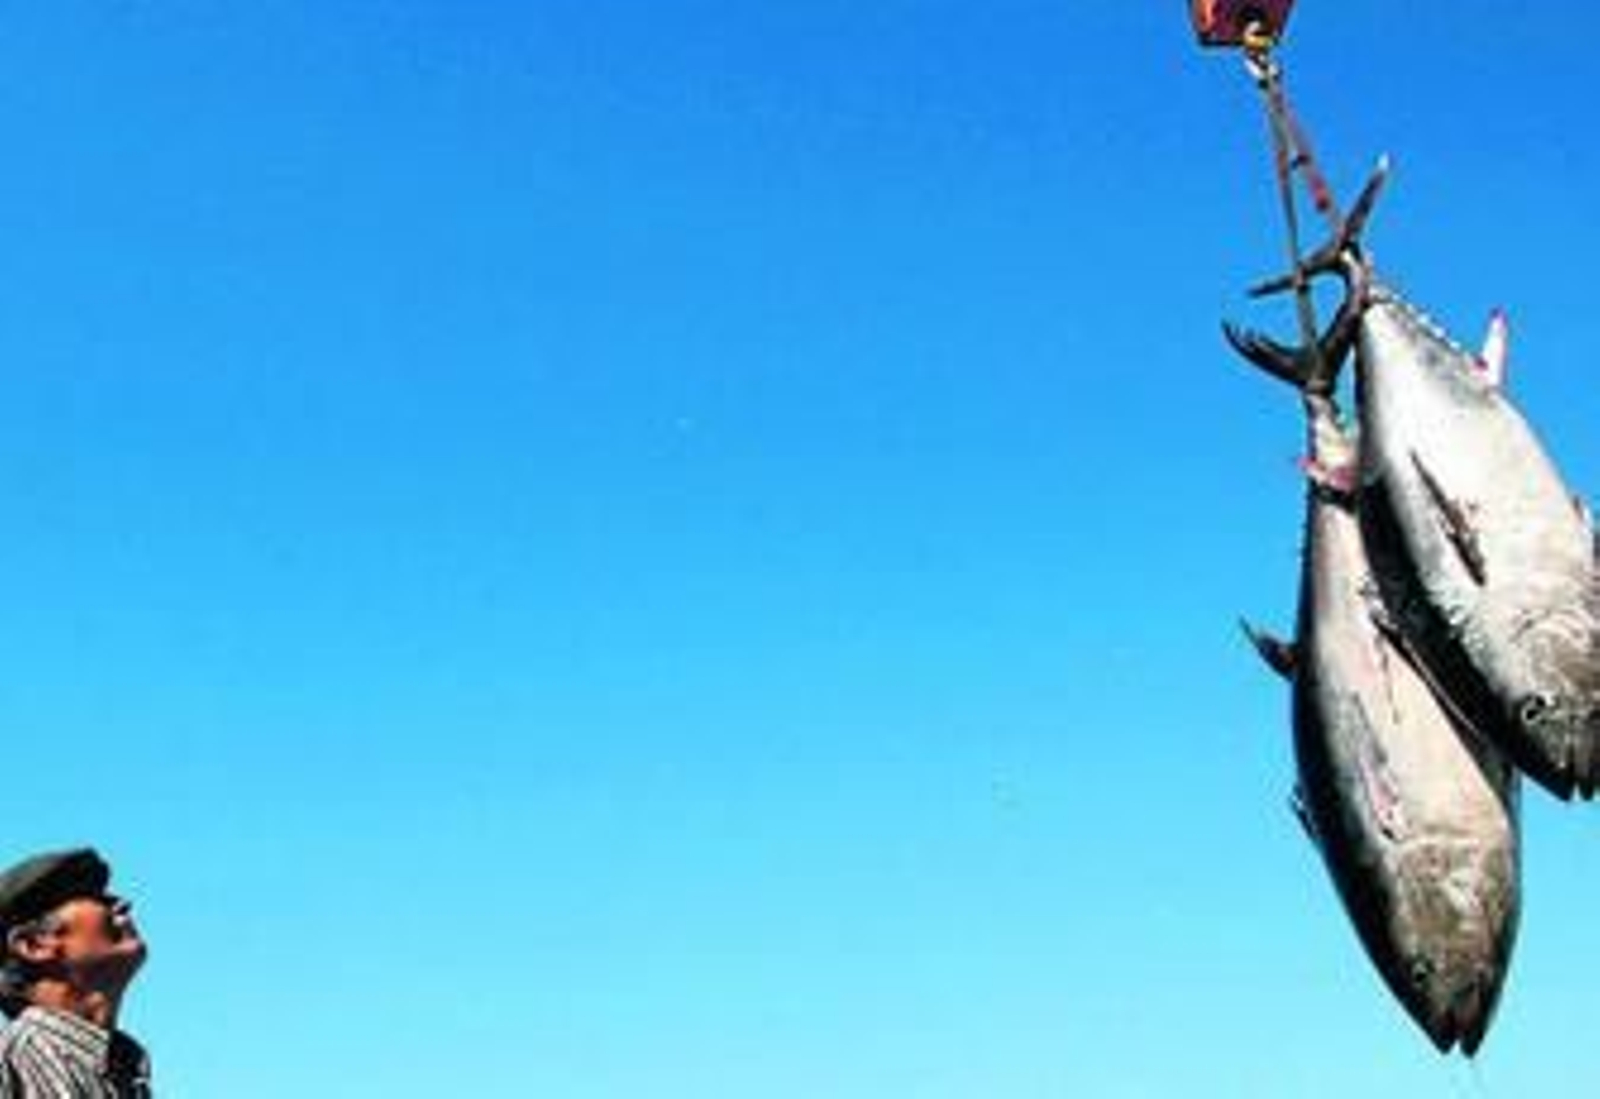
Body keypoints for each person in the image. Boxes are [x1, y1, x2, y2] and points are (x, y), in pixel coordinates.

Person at [0, 849, 150, 1097]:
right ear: (34, 945)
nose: (122, 904)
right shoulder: (11, 1064)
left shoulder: (127, 1074)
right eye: (97, 898)